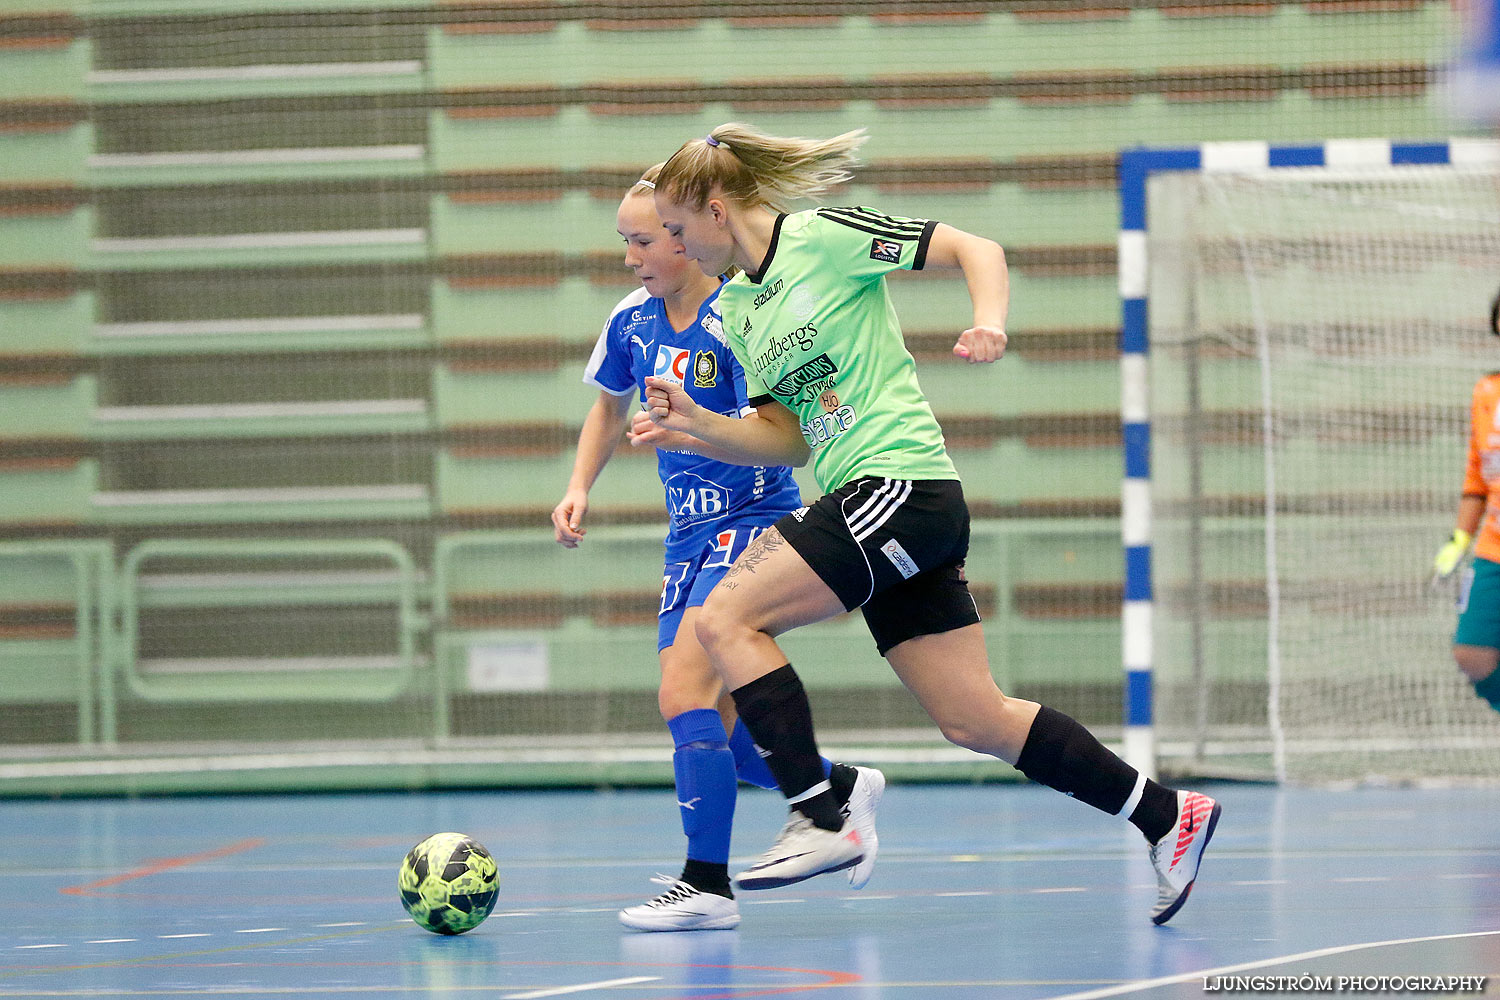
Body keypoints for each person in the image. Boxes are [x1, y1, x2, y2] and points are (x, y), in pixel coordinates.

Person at [640, 123, 1221, 926]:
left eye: (674, 228)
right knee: (973, 717)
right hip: (866, 500)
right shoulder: (737, 309)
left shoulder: (826, 238)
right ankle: (1166, 817)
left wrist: (992, 321)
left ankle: (824, 810)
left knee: (725, 616)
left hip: (901, 484)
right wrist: (700, 423)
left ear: (713, 209)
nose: (672, 245)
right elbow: (790, 435)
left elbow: (974, 247)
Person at [551, 164, 884, 933]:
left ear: (683, 237)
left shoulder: (740, 317)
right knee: (728, 744)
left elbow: (781, 437)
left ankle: (707, 885)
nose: (630, 256)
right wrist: (579, 485)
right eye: (624, 242)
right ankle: (837, 789)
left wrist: (693, 423)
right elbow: (607, 409)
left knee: (682, 695)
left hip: (755, 514)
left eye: (642, 241)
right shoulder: (631, 320)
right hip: (686, 534)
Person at [1433, 285, 1500, 710]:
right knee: (1471, 653)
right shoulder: (1486, 392)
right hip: (1494, 548)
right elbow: (1477, 477)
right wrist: (1459, 539)